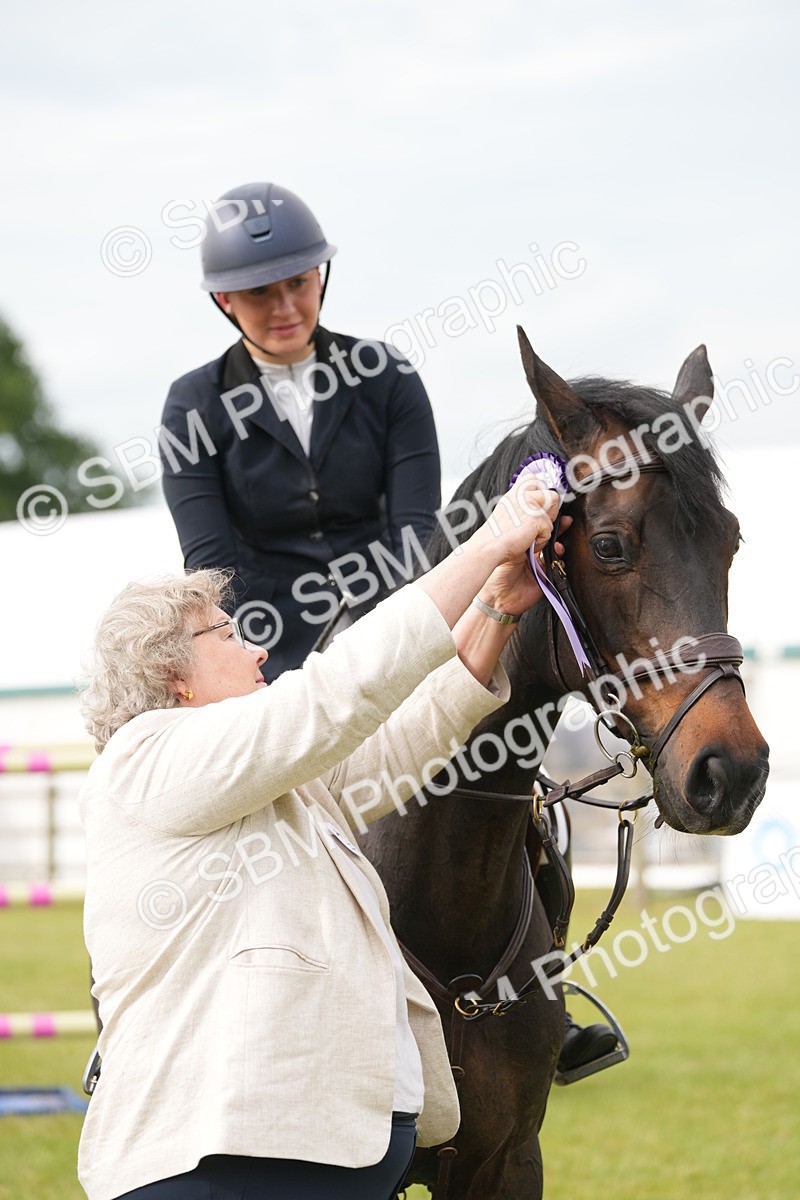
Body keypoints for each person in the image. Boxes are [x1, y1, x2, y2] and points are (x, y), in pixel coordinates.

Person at [77, 475, 560, 1200]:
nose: (259, 652)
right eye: (229, 633)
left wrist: (496, 605)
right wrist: (491, 540)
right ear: (168, 674)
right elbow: (336, 696)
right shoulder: (148, 756)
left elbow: (400, 741)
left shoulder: (269, 781)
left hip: (296, 1164)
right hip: (214, 1172)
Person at [160, 181, 441, 681]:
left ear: (319, 275)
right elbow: (212, 570)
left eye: (297, 283)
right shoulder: (193, 405)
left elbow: (416, 530)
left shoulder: (385, 375)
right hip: (274, 653)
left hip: (392, 624)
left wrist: (402, 638)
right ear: (225, 299)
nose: (285, 308)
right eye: (260, 292)